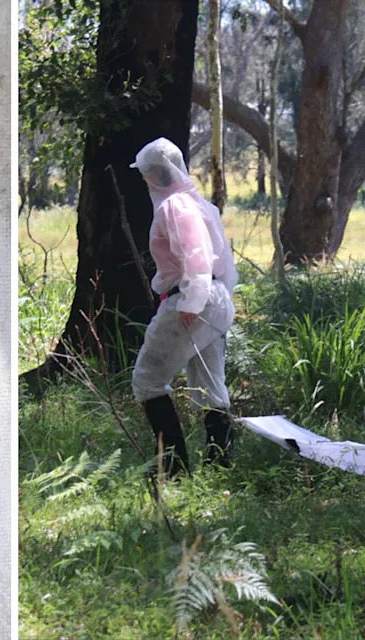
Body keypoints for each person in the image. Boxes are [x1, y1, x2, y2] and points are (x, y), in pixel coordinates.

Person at [128, 137, 239, 477]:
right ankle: (220, 465)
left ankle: (172, 468)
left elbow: (195, 255)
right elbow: (227, 265)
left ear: (151, 175)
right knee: (210, 384)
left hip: (191, 298)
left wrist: (192, 300)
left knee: (147, 379)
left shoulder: (174, 207)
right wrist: (214, 298)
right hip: (217, 297)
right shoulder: (203, 205)